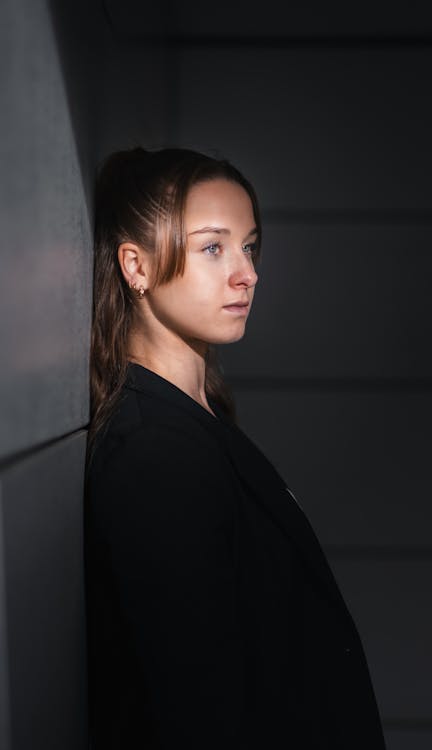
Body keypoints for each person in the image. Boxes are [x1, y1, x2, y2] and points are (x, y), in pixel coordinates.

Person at [84, 146, 386, 749]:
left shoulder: (200, 419)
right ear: (135, 266)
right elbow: (198, 706)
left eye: (249, 247)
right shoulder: (154, 454)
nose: (247, 273)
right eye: (213, 247)